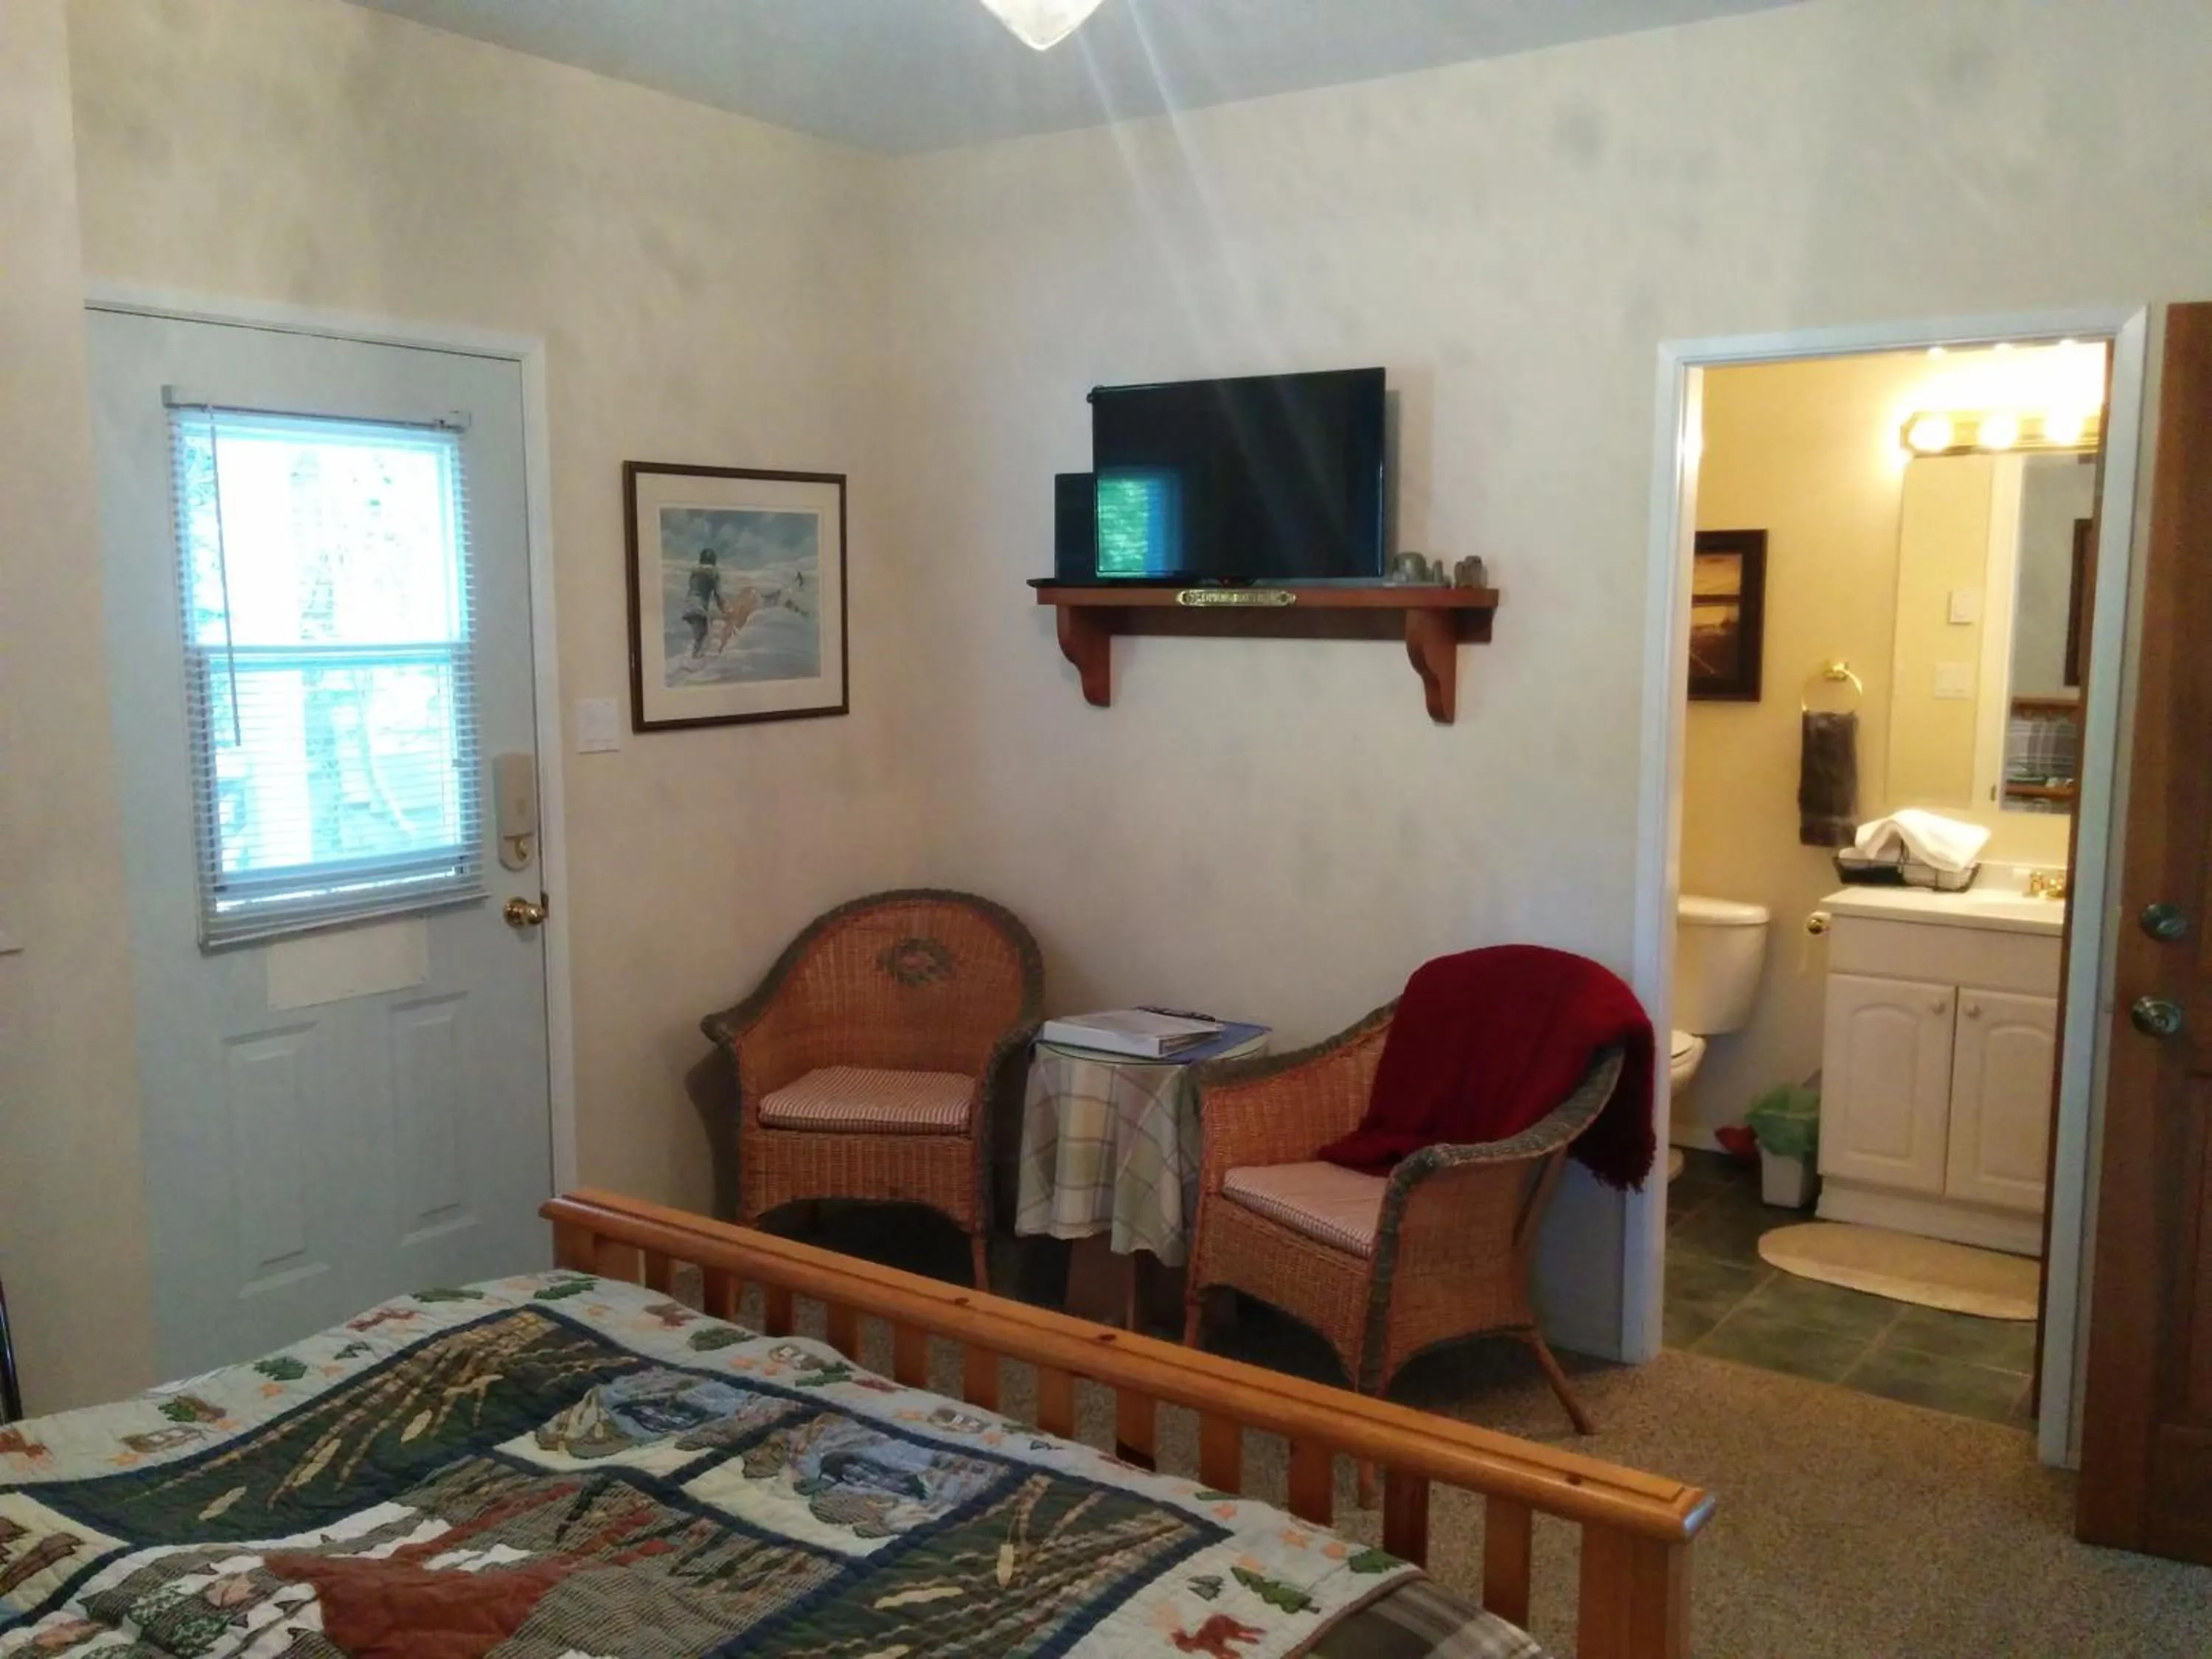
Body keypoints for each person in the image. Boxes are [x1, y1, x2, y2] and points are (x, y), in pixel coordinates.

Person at [681, 549, 728, 658]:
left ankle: (691, 658)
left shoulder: (694, 572)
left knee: (699, 637)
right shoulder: (713, 571)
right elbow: (718, 595)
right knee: (702, 638)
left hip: (688, 606)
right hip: (699, 608)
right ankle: (693, 661)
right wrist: (725, 611)